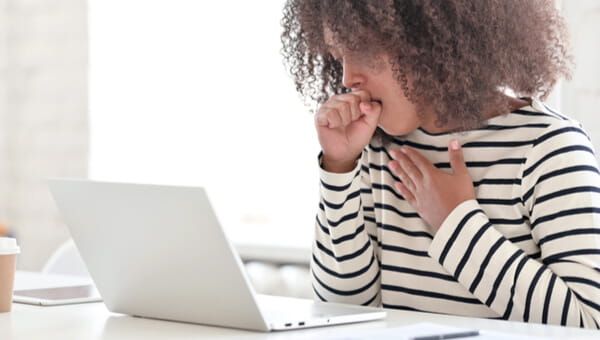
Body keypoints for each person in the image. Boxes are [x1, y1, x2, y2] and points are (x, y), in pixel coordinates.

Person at [280, 0, 600, 328]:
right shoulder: (373, 147)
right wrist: (339, 167)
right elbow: (341, 310)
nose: (348, 77)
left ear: (427, 39)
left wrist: (455, 221)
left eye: (363, 50)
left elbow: (587, 325)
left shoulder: (549, 148)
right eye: (338, 55)